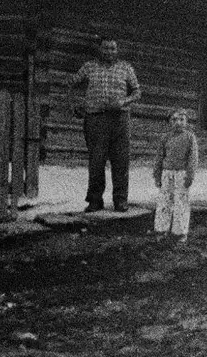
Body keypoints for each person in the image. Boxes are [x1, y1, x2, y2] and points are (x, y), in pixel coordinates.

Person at [72, 38, 140, 212]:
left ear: (117, 50)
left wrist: (125, 100)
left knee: (121, 161)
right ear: (99, 49)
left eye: (113, 48)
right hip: (96, 119)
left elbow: (137, 92)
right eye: (105, 48)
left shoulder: (126, 68)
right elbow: (71, 84)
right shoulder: (89, 67)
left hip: (120, 120)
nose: (109, 51)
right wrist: (75, 104)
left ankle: (120, 200)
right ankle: (95, 200)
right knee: (96, 161)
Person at [153, 108, 199, 242]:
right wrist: (157, 175)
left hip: (182, 174)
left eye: (181, 119)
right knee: (164, 201)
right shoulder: (165, 137)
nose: (178, 122)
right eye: (174, 120)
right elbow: (159, 157)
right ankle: (161, 230)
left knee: (181, 202)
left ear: (186, 122)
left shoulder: (190, 137)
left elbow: (193, 158)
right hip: (167, 173)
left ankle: (180, 232)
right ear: (169, 122)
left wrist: (190, 175)